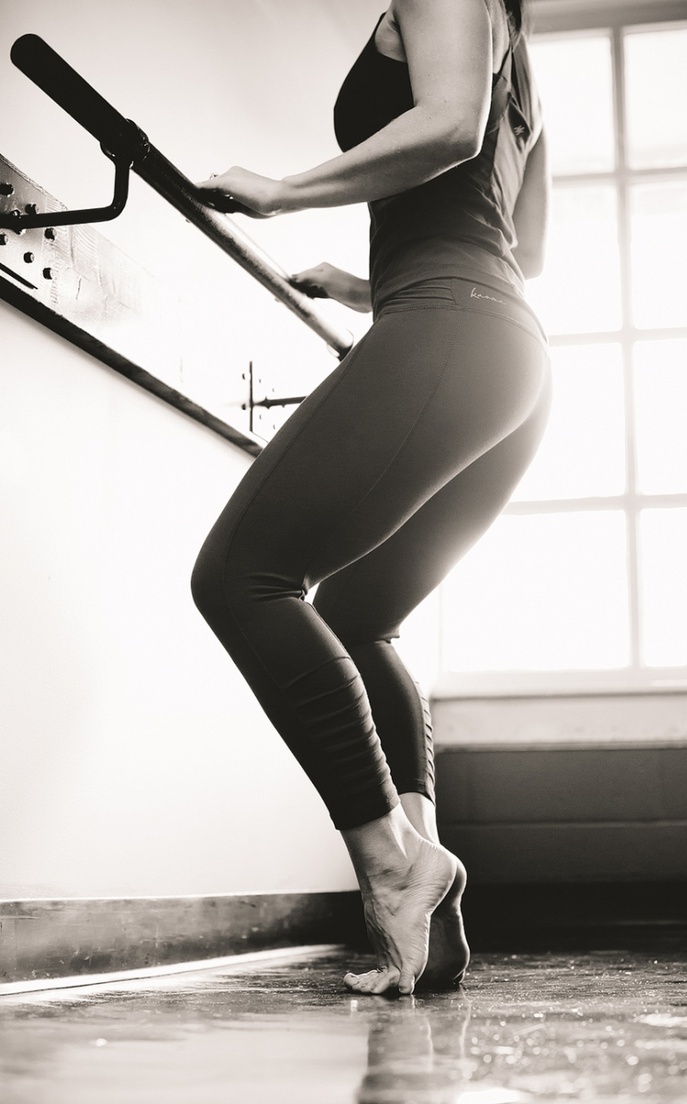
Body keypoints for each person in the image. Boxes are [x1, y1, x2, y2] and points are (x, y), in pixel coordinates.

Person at [193, 0, 550, 997]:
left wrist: (283, 191)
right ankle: (427, 910)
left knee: (241, 578)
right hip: (510, 356)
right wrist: (365, 286)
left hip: (450, 330)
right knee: (358, 616)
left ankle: (392, 865)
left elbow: (444, 129)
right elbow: (525, 249)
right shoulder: (520, 60)